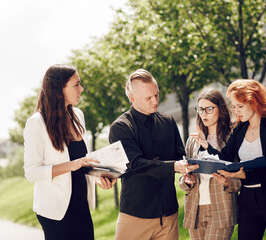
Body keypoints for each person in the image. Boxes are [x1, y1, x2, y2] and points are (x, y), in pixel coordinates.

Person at [192, 79, 266, 240]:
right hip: (248, 201)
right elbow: (224, 158)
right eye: (234, 107)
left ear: (253, 102)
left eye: (240, 106)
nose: (237, 111)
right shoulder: (239, 129)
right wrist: (206, 145)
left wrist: (245, 175)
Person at [23, 64, 116, 240]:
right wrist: (71, 165)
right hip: (55, 211)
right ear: (60, 89)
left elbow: (83, 161)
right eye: (76, 84)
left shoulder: (78, 115)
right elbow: (32, 172)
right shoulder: (36, 123)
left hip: (81, 206)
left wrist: (98, 177)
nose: (81, 88)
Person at [109, 69, 198, 240]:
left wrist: (187, 174)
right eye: (148, 98)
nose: (155, 101)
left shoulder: (168, 121)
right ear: (132, 97)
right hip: (135, 217)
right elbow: (136, 164)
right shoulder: (121, 127)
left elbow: (180, 157)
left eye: (156, 94)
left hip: (169, 216)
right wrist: (174, 166)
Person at [180, 87, 241, 240]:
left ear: (220, 109)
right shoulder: (192, 141)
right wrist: (186, 180)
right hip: (195, 210)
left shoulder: (231, 138)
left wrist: (228, 182)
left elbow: (239, 177)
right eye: (200, 109)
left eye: (209, 109)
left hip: (221, 208)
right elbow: (183, 179)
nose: (204, 114)